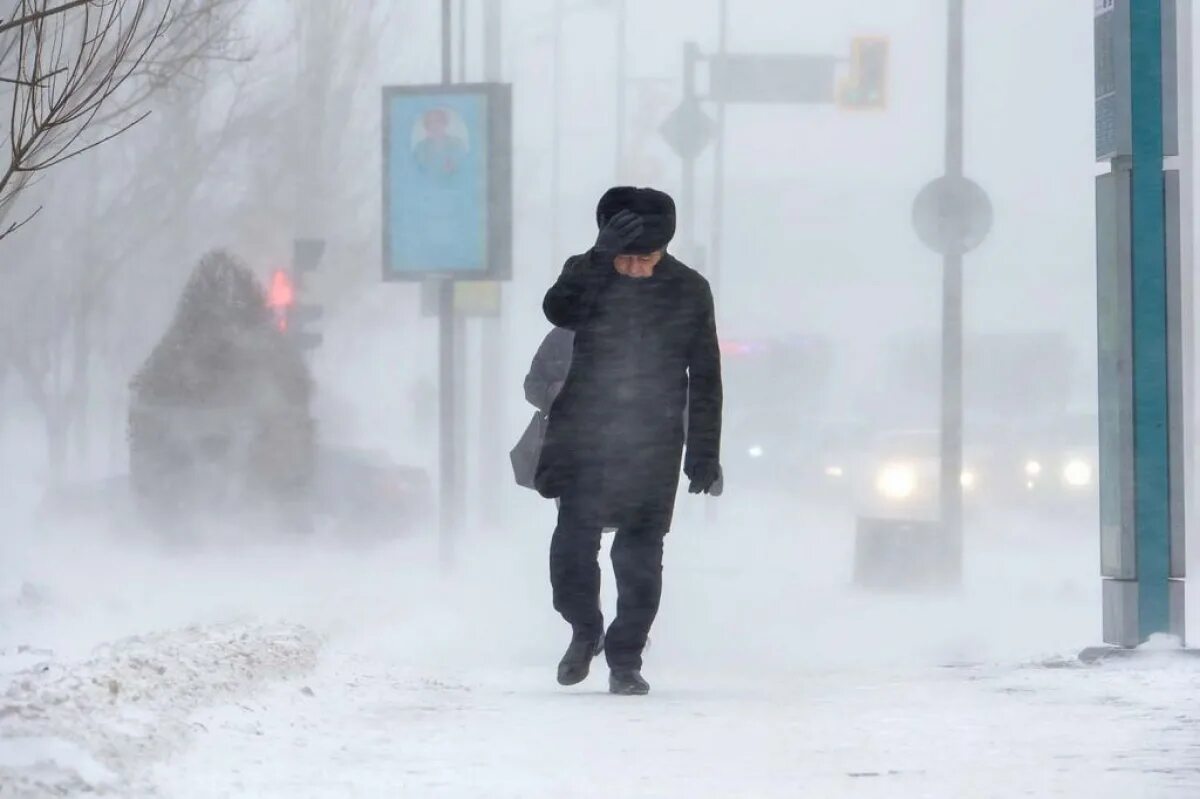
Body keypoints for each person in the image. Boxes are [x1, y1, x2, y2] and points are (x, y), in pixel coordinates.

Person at [535, 186, 723, 696]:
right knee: (573, 546)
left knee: (640, 557)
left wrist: (704, 453)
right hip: (584, 436)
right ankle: (584, 628)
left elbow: (705, 374)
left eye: (647, 259)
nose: (636, 268)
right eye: (627, 258)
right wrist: (599, 259)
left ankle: (625, 658)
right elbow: (559, 311)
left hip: (654, 439)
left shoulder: (688, 289)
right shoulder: (589, 271)